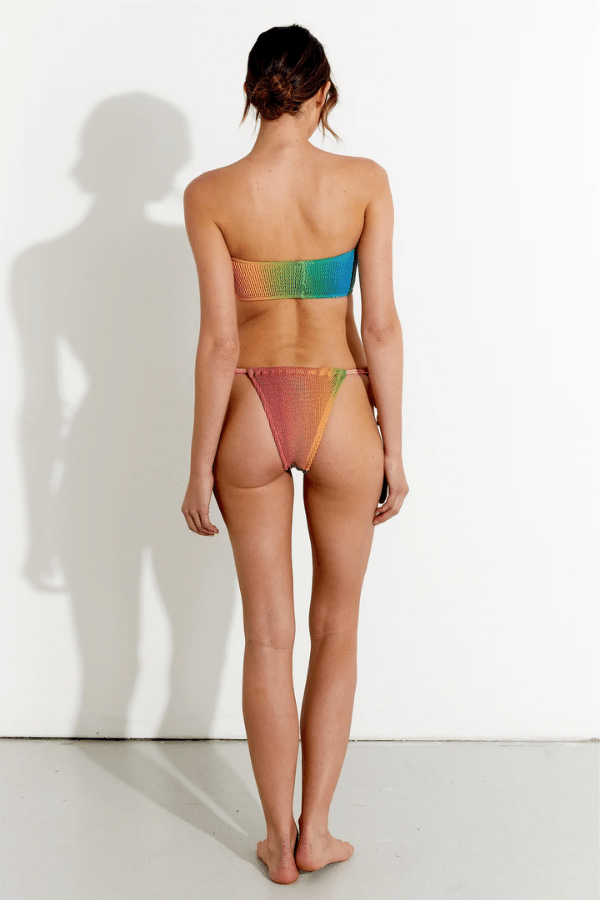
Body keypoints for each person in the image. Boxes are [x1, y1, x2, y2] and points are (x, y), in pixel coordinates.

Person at [181, 23, 409, 885]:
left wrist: (198, 466)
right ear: (323, 93)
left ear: (254, 93)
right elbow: (380, 327)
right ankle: (317, 833)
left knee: (268, 637)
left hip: (250, 409)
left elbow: (217, 342)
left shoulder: (211, 194)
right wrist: (396, 449)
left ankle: (277, 843)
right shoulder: (363, 182)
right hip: (342, 405)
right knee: (335, 628)